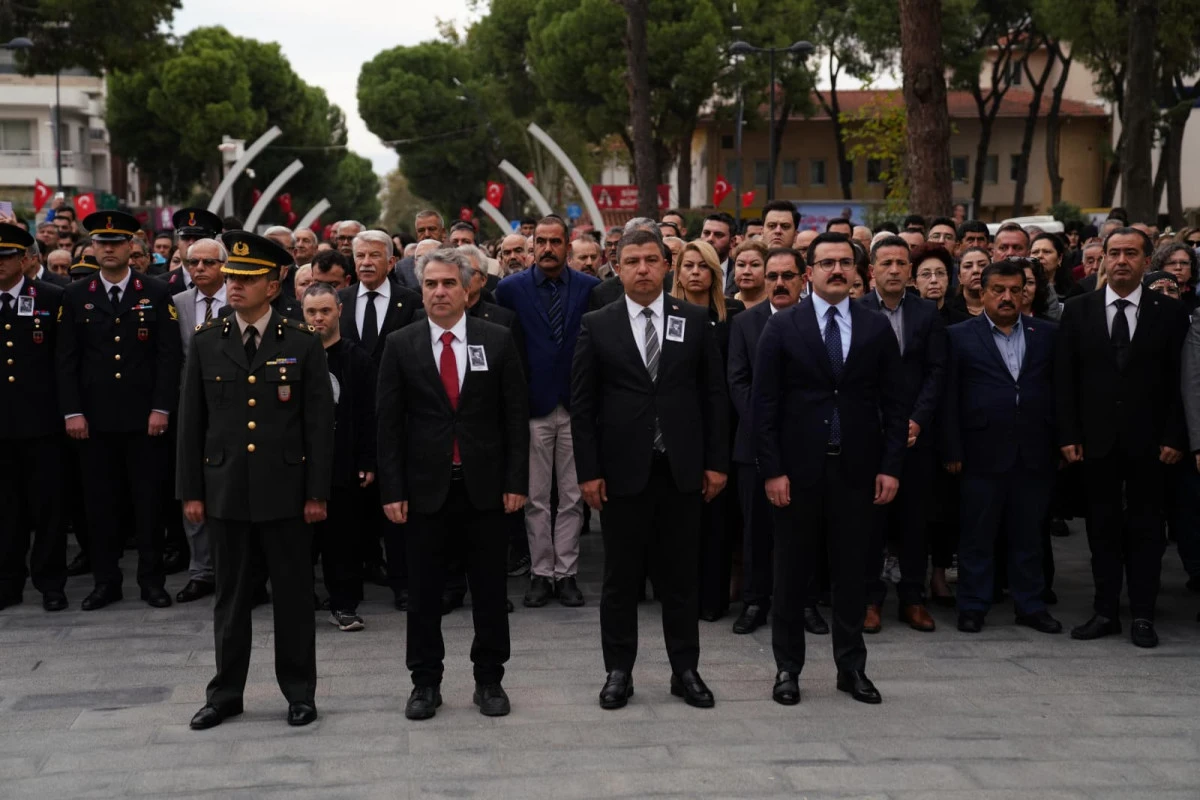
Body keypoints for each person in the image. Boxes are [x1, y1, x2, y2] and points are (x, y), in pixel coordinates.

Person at [177, 230, 334, 730]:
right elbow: (190, 425)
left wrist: (316, 493)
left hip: (286, 492)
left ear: (275, 283)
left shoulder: (303, 343)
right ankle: (225, 693)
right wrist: (192, 492)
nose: (234, 285)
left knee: (292, 598)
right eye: (232, 276)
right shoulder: (207, 343)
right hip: (225, 491)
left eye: (248, 278)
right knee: (230, 599)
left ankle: (299, 692)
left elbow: (317, 426)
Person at [572, 228, 728, 710]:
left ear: (668, 266)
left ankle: (686, 670)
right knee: (621, 578)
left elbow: (714, 397)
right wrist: (589, 471)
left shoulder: (696, 319)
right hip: (621, 473)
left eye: (651, 260)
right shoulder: (598, 323)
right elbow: (583, 404)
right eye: (632, 261)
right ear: (616, 268)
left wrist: (716, 463)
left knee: (681, 577)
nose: (642, 269)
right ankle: (619, 670)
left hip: (681, 469)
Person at [753, 232, 906, 707]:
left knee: (852, 574)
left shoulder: (876, 326)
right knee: (791, 576)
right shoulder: (782, 327)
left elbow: (895, 405)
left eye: (845, 262)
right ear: (808, 273)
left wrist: (890, 466)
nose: (836, 270)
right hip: (796, 474)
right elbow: (764, 405)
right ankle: (787, 670)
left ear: (857, 272)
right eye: (826, 263)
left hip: (858, 471)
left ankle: (851, 668)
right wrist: (773, 470)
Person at [378, 248, 529, 721]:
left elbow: (514, 419)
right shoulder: (400, 344)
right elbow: (388, 425)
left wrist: (515, 481)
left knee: (488, 591)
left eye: (448, 284)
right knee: (423, 594)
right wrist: (393, 489)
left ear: (468, 289)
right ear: (420, 291)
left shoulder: (498, 340)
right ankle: (425, 682)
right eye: (430, 285)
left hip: (484, 489)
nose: (439, 292)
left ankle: (490, 680)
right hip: (424, 491)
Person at [1057, 227, 1189, 649]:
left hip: (1152, 443)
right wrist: (1069, 434)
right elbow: (1066, 382)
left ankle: (1144, 615)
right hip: (1095, 443)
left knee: (1148, 528)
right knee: (1102, 529)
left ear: (1146, 262)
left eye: (1130, 254)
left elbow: (1178, 382)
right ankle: (1105, 611)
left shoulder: (1168, 313)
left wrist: (1174, 435)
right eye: (1113, 253)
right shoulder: (1078, 310)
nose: (1120, 261)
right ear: (1101, 260)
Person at [57, 211, 182, 611]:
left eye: (116, 242)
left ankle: (151, 580)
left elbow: (168, 357)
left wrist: (162, 407)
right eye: (101, 242)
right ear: (92, 247)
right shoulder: (75, 295)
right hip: (93, 422)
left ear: (133, 246)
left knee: (148, 503)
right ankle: (106, 581)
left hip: (145, 418)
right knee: (99, 504)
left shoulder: (156, 291)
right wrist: (72, 412)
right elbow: (66, 360)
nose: (108, 249)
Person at [942, 260, 1062, 635]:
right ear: (982, 292)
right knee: (977, 534)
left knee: (1028, 534)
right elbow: (948, 398)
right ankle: (973, 605)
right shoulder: (958, 335)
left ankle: (1030, 604)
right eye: (999, 290)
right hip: (979, 452)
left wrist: (1061, 442)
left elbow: (1060, 392)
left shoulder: (1046, 334)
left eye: (1016, 289)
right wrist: (952, 449)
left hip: (1034, 450)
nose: (1008, 297)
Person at [496, 217, 599, 609]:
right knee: (536, 497)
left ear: (568, 244)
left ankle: (567, 574)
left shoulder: (590, 288)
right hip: (532, 405)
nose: (548, 248)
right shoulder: (509, 290)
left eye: (556, 241)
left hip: (575, 405)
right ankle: (541, 573)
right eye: (541, 241)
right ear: (531, 245)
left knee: (572, 496)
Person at [859, 235, 946, 634]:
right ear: (871, 270)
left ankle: (912, 598)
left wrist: (916, 420)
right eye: (886, 263)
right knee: (869, 522)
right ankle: (869, 600)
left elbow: (936, 372)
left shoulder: (927, 314)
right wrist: (883, 423)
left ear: (910, 271)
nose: (894, 270)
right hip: (870, 434)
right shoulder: (856, 312)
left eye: (900, 263)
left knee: (915, 520)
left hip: (916, 436)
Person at [728, 247, 806, 635]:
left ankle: (803, 602)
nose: (778, 283)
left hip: (807, 444)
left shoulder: (816, 322)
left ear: (802, 279)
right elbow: (738, 382)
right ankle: (755, 602)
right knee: (756, 530)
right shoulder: (745, 323)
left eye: (787, 275)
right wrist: (765, 428)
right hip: (754, 445)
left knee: (802, 529)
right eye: (772, 275)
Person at [670, 239, 743, 621]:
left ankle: (713, 599)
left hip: (723, 426)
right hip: (678, 428)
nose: (695, 272)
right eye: (688, 265)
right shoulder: (667, 316)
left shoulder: (733, 314)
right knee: (680, 520)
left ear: (715, 272)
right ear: (678, 272)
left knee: (717, 518)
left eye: (703, 266)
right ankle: (680, 596)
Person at [0, 223, 68, 612]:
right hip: (1, 426)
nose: (0, 263)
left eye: (7, 255)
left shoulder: (50, 297)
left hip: (43, 423)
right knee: (5, 509)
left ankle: (50, 582)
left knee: (48, 508)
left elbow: (63, 362)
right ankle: (8, 582)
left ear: (25, 260)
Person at [302, 282, 375, 632]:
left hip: (344, 464)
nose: (319, 318)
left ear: (339, 311)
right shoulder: (293, 354)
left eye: (325, 310)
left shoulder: (357, 358)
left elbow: (368, 414)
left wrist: (367, 460)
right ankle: (298, 605)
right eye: (312, 311)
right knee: (300, 544)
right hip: (299, 466)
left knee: (343, 541)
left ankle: (344, 606)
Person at [172, 237, 233, 604]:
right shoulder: (177, 303)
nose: (199, 270)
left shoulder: (240, 298)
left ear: (224, 266)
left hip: (232, 406)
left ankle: (233, 567)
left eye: (208, 263)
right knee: (191, 485)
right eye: (192, 263)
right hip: (190, 406)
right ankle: (201, 570)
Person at [163, 208, 223, 294]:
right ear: (178, 243)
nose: (191, 243)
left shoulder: (229, 283)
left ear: (213, 242)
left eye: (198, 237)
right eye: (185, 237)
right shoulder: (160, 286)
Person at [1152, 243, 1198, 312]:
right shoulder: (1150, 298)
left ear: (1192, 268)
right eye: (1172, 263)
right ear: (1160, 267)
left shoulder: (1197, 300)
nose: (1178, 268)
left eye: (1184, 263)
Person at [948, 247, 989, 318]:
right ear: (959, 277)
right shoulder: (948, 310)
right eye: (968, 266)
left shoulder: (1003, 306)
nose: (975, 270)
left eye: (982, 265)